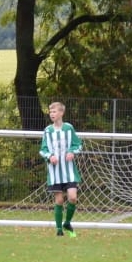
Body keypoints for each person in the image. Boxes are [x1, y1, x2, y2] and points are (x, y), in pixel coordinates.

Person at [40, 100, 82, 237]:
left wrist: (72, 152)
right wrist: (50, 156)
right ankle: (59, 230)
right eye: (50, 112)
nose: (52, 114)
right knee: (59, 201)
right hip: (55, 173)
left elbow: (78, 145)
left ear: (61, 113)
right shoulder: (48, 130)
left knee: (73, 197)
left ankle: (67, 223)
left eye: (54, 111)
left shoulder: (69, 128)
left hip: (69, 172)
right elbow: (43, 150)